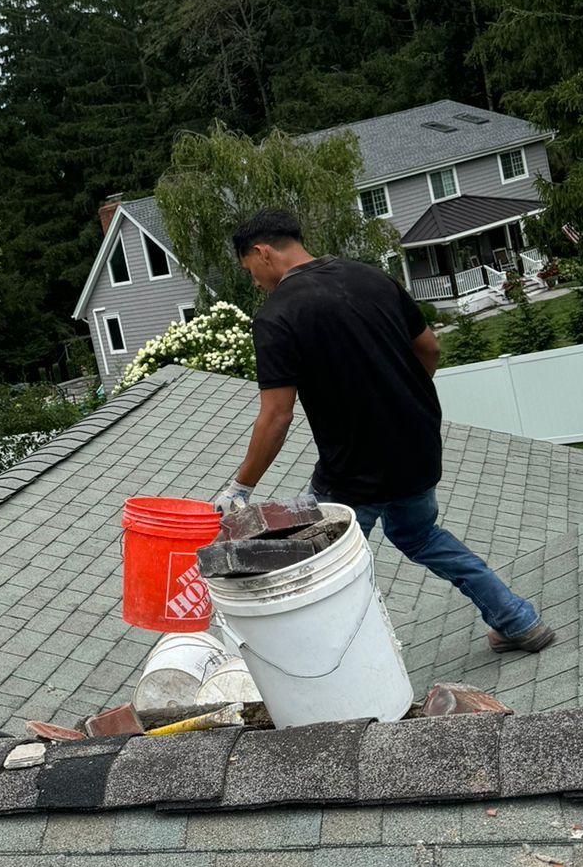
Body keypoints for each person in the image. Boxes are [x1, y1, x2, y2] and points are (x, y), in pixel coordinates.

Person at [217, 209, 553, 655]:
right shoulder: (370, 277)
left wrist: (240, 487)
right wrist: (398, 399)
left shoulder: (277, 315)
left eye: (249, 273)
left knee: (316, 569)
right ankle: (518, 621)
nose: (255, 283)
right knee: (421, 535)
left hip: (354, 472)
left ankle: (333, 665)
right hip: (416, 451)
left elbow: (276, 416)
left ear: (262, 253)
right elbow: (429, 349)